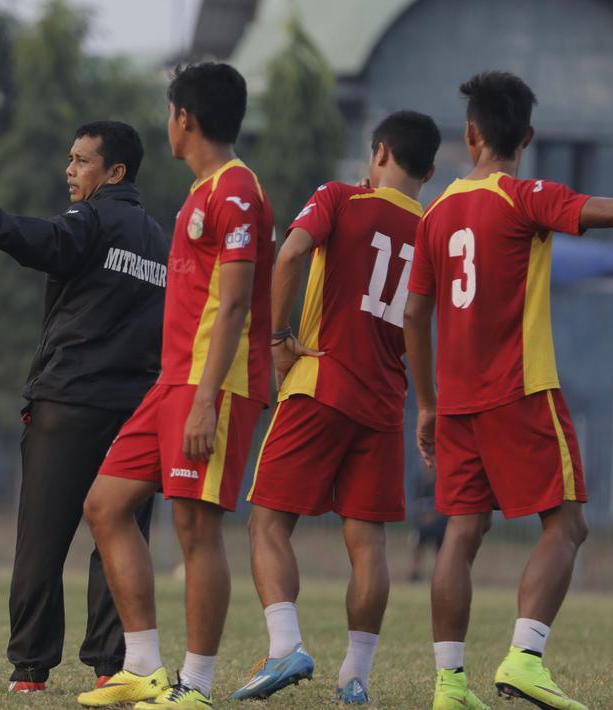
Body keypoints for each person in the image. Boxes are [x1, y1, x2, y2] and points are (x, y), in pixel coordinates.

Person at [404, 70, 613, 710]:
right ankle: (525, 658)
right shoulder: (525, 196)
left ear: (470, 133)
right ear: (528, 136)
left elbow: (414, 315)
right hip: (521, 391)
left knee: (461, 531)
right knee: (566, 526)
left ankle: (450, 685)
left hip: (454, 403)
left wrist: (426, 403)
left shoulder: (437, 213)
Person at [0, 120, 166, 693]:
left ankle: (30, 669)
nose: (70, 170)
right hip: (137, 408)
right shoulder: (160, 238)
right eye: (70, 158)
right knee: (121, 532)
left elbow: (47, 241)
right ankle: (113, 664)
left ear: (115, 173)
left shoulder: (94, 218)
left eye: (82, 160)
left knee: (43, 536)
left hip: (70, 399)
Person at [79, 62, 274, 709]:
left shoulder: (237, 190)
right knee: (106, 505)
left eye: (168, 113)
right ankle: (141, 665)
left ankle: (195, 684)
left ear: (183, 119)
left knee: (194, 529)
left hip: (210, 388)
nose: (167, 123)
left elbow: (238, 302)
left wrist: (203, 399)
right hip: (172, 383)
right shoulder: (201, 190)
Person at [230, 111, 442, 704]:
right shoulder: (434, 227)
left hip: (320, 381)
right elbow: (424, 320)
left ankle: (284, 646)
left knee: (268, 522)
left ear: (378, 154)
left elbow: (291, 253)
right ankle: (356, 677)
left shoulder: (341, 197)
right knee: (367, 542)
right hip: (384, 401)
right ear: (427, 170)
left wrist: (275, 339)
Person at [409, 469, 447, 583]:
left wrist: (433, 515)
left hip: (440, 524)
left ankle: (441, 574)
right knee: (415, 540)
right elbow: (416, 506)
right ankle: (415, 572)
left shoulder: (441, 482)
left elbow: (443, 507)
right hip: (423, 525)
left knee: (443, 548)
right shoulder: (420, 483)